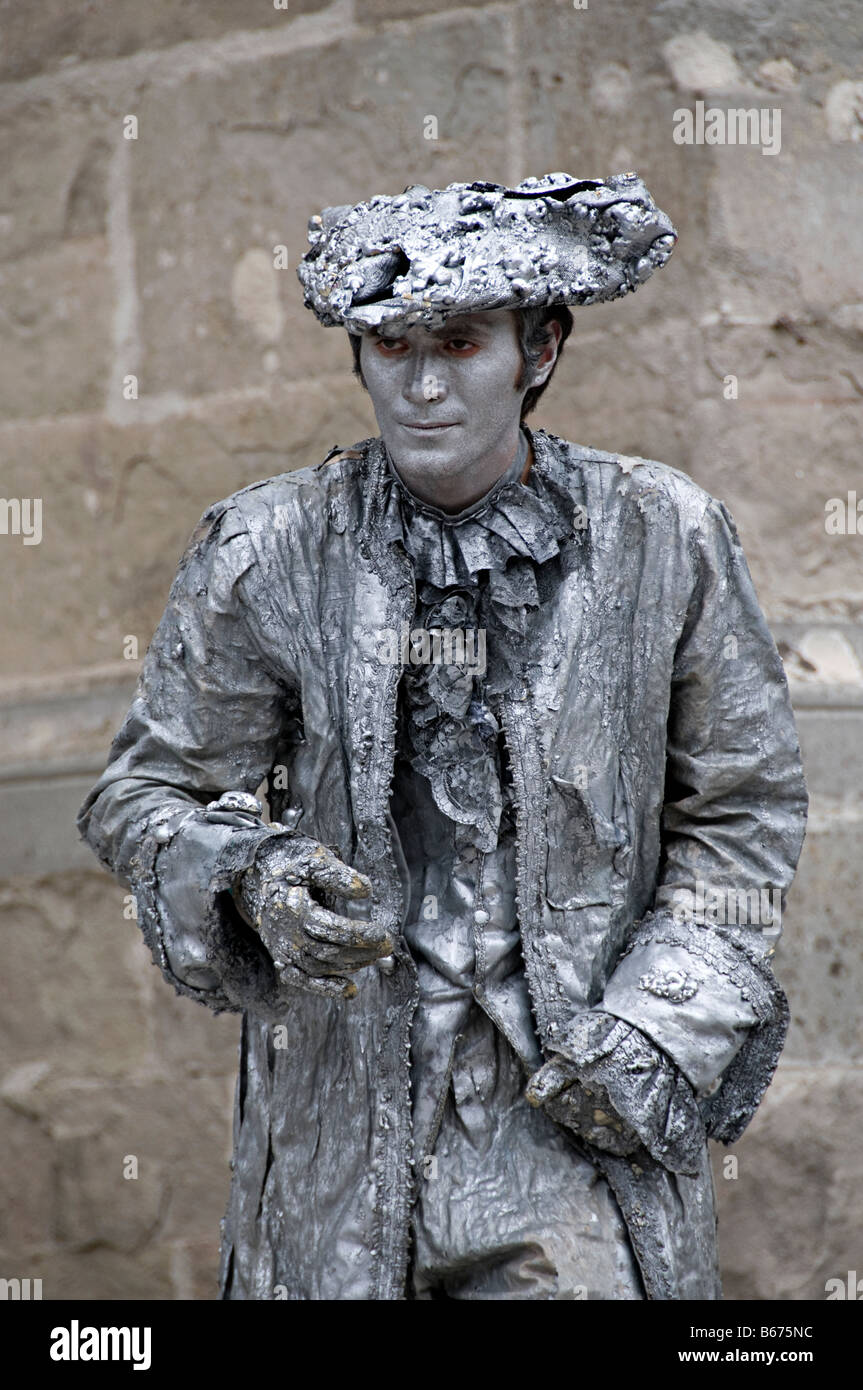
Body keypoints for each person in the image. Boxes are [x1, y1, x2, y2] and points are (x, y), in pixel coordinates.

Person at [77, 172, 808, 1300]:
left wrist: (658, 1024)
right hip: (337, 1125)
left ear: (540, 350)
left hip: (570, 1120)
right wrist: (251, 876)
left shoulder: (665, 534)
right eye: (390, 346)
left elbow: (743, 807)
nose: (421, 386)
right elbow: (144, 794)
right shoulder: (266, 550)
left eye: (460, 344)